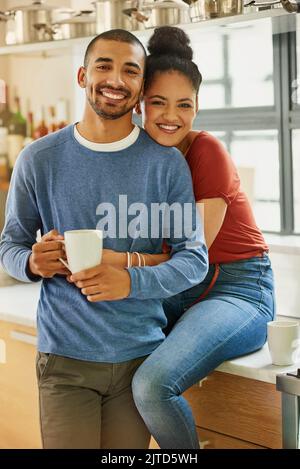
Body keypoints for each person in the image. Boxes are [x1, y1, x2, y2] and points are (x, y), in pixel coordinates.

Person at [0, 29, 208, 449]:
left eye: (130, 71)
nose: (116, 79)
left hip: (139, 361)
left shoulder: (165, 164)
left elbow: (193, 260)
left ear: (140, 87)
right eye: (104, 66)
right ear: (82, 76)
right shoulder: (38, 159)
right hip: (65, 362)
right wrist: (32, 263)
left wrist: (130, 281)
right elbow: (10, 246)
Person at [100, 26, 275, 449]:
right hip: (174, 292)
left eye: (184, 104)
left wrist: (117, 261)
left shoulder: (207, 152)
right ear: (140, 104)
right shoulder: (138, 160)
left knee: (151, 385)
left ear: (198, 107)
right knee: (102, 362)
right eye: (158, 102)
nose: (170, 115)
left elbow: (189, 258)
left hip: (236, 290)